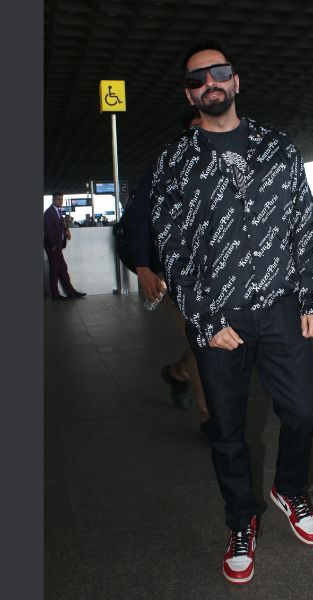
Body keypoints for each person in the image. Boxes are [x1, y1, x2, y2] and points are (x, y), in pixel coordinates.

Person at [150, 41, 313, 584]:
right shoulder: (174, 162)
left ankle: (289, 490)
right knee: (226, 431)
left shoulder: (278, 147)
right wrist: (203, 319)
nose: (210, 82)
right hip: (218, 318)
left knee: (304, 413)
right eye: (197, 78)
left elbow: (303, 222)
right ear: (189, 94)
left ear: (236, 81)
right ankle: (240, 521)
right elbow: (171, 247)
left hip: (280, 308)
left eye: (219, 72)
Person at [117, 108, 211, 430]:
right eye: (196, 127)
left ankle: (178, 373)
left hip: (218, 273)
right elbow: (138, 215)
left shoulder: (227, 166)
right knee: (202, 340)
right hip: (174, 273)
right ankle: (210, 418)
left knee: (214, 339)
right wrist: (143, 267)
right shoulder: (166, 166)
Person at [44, 194, 87, 300]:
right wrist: (54, 245)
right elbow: (48, 230)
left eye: (62, 199)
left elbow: (59, 225)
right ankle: (55, 295)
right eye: (58, 199)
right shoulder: (49, 213)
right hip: (53, 246)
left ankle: (71, 292)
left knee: (62, 269)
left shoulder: (58, 211)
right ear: (53, 199)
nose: (60, 201)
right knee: (54, 270)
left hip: (58, 245)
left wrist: (66, 230)